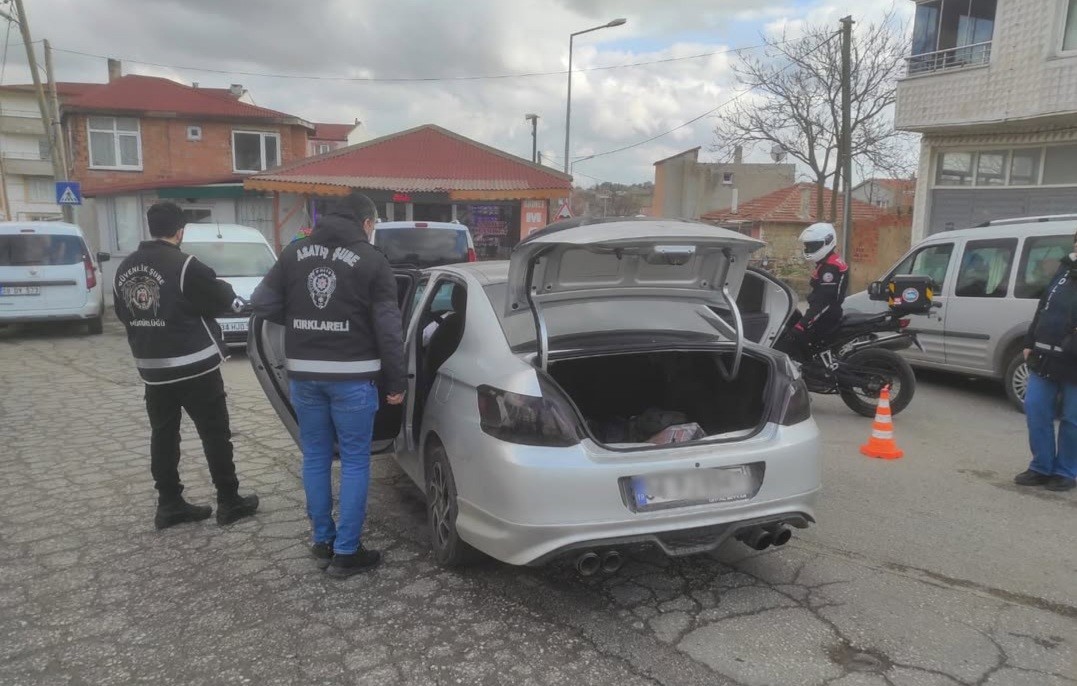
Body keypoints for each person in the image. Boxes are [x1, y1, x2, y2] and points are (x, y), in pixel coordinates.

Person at [251, 192, 406, 578]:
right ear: (367, 224)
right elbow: (389, 330)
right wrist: (396, 381)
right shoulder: (373, 261)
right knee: (354, 462)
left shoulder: (293, 253)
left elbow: (262, 302)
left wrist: (304, 318)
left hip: (303, 376)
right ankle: (346, 552)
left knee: (316, 457)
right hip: (353, 379)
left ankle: (322, 541)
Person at [114, 202, 259, 530]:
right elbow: (223, 299)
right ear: (181, 230)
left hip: (152, 369)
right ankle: (229, 501)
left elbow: (124, 312)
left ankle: (169, 504)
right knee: (215, 434)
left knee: (163, 435)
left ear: (150, 227)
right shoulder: (186, 265)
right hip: (196, 367)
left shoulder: (125, 269)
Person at [1015, 232, 1077, 492]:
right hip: (1043, 355)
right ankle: (1041, 466)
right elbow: (1044, 306)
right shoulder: (1064, 268)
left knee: (1073, 419)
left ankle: (1066, 471)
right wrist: (1029, 342)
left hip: (1073, 361)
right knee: (1036, 409)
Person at [779, 222, 849, 362]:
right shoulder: (828, 262)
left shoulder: (830, 268)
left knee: (794, 338)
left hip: (826, 316)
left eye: (813, 246)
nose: (809, 249)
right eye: (808, 246)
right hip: (826, 313)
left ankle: (813, 373)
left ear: (828, 242)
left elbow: (825, 302)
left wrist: (803, 324)